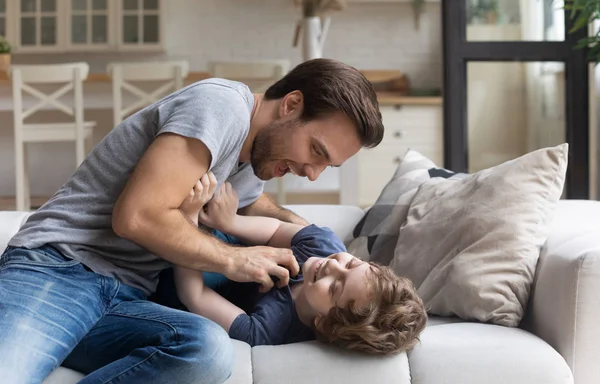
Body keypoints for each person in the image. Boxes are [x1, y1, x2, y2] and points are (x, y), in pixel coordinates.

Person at [0, 58, 384, 384]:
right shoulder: (220, 107)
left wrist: (327, 245)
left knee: (206, 349)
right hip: (61, 269)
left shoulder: (258, 160)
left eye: (326, 165)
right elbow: (137, 217)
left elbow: (256, 207)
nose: (312, 173)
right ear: (291, 104)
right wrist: (235, 259)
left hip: (128, 296)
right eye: (315, 151)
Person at [164, 177, 427, 354]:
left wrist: (186, 224)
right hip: (227, 246)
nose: (333, 266)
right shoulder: (325, 245)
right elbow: (275, 229)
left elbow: (195, 295)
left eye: (336, 286)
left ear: (324, 323)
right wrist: (229, 222)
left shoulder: (270, 330)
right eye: (352, 263)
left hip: (184, 277)